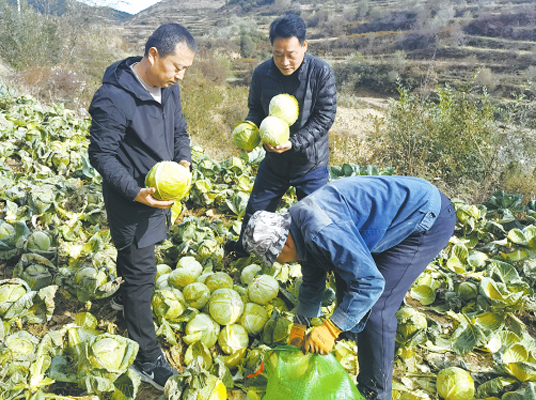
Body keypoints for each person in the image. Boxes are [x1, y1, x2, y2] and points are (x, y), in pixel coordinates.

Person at [242, 176, 457, 400]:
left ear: (285, 243)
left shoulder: (321, 231)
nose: (280, 263)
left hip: (426, 218)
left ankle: (375, 391)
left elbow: (370, 283)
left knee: (377, 306)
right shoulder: (296, 226)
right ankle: (355, 341)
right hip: (397, 213)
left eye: (276, 258)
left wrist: (330, 329)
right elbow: (312, 279)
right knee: (348, 276)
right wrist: (300, 324)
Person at [87, 23, 196, 390]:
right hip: (132, 201)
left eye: (185, 69)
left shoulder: (169, 88)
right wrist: (136, 192)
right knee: (141, 273)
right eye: (176, 67)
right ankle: (147, 358)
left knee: (134, 261)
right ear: (152, 55)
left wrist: (183, 161)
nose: (180, 76)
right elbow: (100, 155)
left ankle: (122, 299)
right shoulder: (114, 98)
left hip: (157, 197)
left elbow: (179, 130)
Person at [225, 13, 337, 258]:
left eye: (291, 54)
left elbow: (325, 117)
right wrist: (249, 132)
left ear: (304, 46)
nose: (284, 61)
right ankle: (242, 256)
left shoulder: (321, 73)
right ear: (271, 48)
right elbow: (255, 109)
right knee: (255, 213)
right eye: (278, 54)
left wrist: (293, 143)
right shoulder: (262, 74)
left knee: (315, 222)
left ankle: (315, 266)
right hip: (274, 163)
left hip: (311, 165)